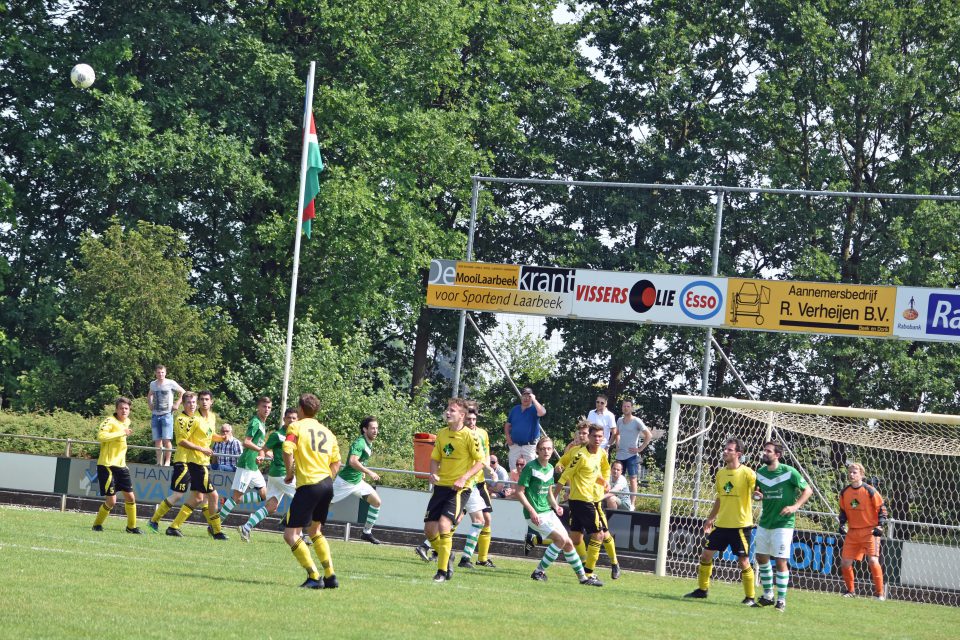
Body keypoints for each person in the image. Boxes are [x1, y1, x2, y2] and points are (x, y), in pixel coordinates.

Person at [517, 437, 601, 586]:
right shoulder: (530, 467)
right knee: (560, 540)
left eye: (549, 448)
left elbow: (549, 492)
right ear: (537, 450)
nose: (546, 451)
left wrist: (556, 506)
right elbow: (519, 492)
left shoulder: (550, 468)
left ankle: (583, 578)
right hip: (534, 514)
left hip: (548, 512)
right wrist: (532, 511)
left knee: (568, 542)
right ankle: (538, 571)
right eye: (543, 449)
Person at [684, 438, 757, 604]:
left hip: (740, 525)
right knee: (705, 555)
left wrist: (758, 495)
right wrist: (710, 518)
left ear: (738, 454)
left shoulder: (748, 473)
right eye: (725, 449)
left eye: (729, 450)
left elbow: (757, 492)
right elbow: (720, 498)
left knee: (743, 561)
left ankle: (750, 597)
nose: (725, 451)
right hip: (721, 525)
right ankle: (702, 590)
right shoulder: (720, 473)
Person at [282, 393, 342, 589]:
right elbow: (337, 461)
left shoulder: (296, 426)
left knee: (291, 535)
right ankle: (330, 575)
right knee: (315, 530)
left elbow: (287, 449)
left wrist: (290, 473)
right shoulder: (328, 432)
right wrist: (327, 480)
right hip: (326, 484)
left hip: (309, 485)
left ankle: (314, 577)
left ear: (300, 409)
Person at [423, 397, 484, 583]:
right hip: (441, 487)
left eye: (452, 410)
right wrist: (433, 474)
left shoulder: (470, 436)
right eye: (447, 409)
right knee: (429, 530)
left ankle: (441, 572)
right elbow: (435, 458)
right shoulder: (441, 434)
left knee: (444, 525)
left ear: (462, 415)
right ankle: (446, 553)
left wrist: (463, 478)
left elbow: (481, 462)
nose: (448, 413)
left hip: (459, 489)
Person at [752, 441, 812, 612]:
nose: (765, 453)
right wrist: (757, 496)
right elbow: (760, 494)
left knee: (780, 560)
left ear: (777, 455)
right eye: (764, 450)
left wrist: (795, 507)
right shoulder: (761, 473)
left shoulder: (789, 471)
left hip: (783, 523)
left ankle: (781, 600)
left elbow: (808, 490)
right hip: (765, 522)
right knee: (761, 557)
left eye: (768, 451)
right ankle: (768, 595)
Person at [556, 424, 618, 581]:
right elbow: (565, 473)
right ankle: (588, 573)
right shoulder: (578, 454)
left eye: (599, 436)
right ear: (587, 437)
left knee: (576, 538)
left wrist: (604, 481)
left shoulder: (601, 454)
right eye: (593, 436)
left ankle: (610, 564)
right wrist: (553, 498)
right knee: (599, 535)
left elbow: (600, 470)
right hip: (582, 500)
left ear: (603, 438)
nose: (596, 439)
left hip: (589, 499)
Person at [164, 390, 228, 539]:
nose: (204, 402)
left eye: (207, 399)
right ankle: (216, 530)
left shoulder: (211, 417)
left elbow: (209, 435)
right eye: (201, 399)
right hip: (196, 462)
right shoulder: (194, 419)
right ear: (198, 402)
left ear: (212, 402)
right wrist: (201, 449)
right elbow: (181, 440)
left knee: (198, 498)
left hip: (203, 462)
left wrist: (221, 438)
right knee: (214, 496)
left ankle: (173, 527)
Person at [238, 407, 298, 542]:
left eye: (294, 418)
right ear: (284, 419)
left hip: (276, 476)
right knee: (303, 500)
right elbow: (264, 449)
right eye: (289, 418)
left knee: (271, 507)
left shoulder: (296, 436)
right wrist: (261, 456)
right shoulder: (278, 435)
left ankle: (246, 527)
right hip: (283, 474)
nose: (292, 420)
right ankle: (297, 533)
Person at [148, 391, 199, 532]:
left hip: (197, 462)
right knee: (178, 495)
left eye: (194, 402)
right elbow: (182, 441)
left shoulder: (198, 417)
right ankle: (154, 520)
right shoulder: (181, 420)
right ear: (183, 404)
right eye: (188, 402)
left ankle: (214, 529)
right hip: (183, 462)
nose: (192, 405)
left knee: (201, 496)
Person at [838, 462, 888, 600]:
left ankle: (880, 594)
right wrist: (842, 524)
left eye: (855, 472)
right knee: (845, 563)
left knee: (872, 561)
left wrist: (880, 525)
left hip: (869, 531)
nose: (851, 474)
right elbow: (842, 511)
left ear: (862, 474)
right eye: (850, 472)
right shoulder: (844, 493)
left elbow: (882, 508)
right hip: (853, 532)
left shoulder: (870, 490)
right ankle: (851, 591)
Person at [91, 397, 142, 534]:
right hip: (107, 465)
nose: (124, 410)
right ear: (116, 409)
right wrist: (121, 432)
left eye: (126, 408)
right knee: (112, 501)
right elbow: (101, 436)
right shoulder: (110, 421)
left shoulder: (127, 421)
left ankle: (131, 527)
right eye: (121, 408)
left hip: (121, 466)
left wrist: (123, 463)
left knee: (130, 497)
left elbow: (121, 447)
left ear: (129, 410)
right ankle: (97, 525)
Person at [331, 416, 384, 544]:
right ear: (365, 429)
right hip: (344, 482)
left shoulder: (368, 442)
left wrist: (361, 472)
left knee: (376, 502)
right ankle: (292, 522)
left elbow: (358, 462)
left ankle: (366, 533)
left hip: (357, 482)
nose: (375, 431)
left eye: (377, 428)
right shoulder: (360, 442)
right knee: (320, 504)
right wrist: (369, 472)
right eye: (372, 428)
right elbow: (353, 461)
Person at [217, 397, 271, 523]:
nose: (266, 409)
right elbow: (246, 442)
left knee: (264, 495)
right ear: (258, 407)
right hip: (246, 464)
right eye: (264, 406)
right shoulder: (256, 422)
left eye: (269, 407)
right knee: (237, 497)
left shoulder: (262, 423)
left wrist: (267, 452)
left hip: (253, 466)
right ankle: (216, 524)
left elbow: (259, 444)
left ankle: (227, 501)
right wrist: (260, 450)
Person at [457, 407, 496, 569]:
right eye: (469, 420)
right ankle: (432, 546)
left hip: (477, 483)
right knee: (455, 519)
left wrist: (490, 470)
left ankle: (480, 558)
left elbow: (485, 455)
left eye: (474, 420)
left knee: (484, 519)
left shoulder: (482, 434)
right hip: (465, 482)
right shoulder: (460, 435)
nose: (472, 423)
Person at [615, 397, 651, 508]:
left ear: (632, 408)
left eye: (628, 406)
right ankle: (618, 501)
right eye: (624, 406)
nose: (625, 408)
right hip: (620, 454)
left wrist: (640, 448)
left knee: (633, 479)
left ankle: (632, 504)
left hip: (631, 455)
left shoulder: (636, 421)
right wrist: (615, 444)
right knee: (618, 478)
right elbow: (617, 433)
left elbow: (648, 435)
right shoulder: (620, 420)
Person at [147, 364, 184, 466]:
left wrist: (177, 403)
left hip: (167, 414)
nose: (161, 374)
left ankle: (167, 461)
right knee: (157, 440)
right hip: (155, 414)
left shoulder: (170, 383)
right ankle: (159, 461)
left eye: (162, 372)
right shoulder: (153, 384)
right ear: (156, 373)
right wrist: (150, 403)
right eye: (158, 372)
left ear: (165, 373)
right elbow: (150, 394)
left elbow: (183, 392)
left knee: (166, 439)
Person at [504, 387, 546, 472]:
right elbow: (508, 425)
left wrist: (534, 399)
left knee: (532, 471)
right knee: (513, 470)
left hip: (529, 446)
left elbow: (542, 412)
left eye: (528, 396)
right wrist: (508, 437)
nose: (526, 398)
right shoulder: (515, 409)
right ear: (521, 396)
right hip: (514, 445)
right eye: (524, 395)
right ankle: (515, 485)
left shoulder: (535, 409)